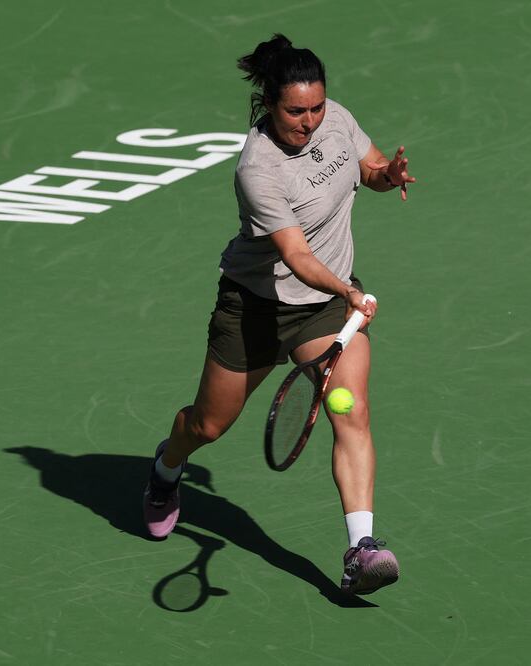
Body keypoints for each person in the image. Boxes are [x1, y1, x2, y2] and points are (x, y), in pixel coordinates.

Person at [141, 33, 415, 596]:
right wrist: (350, 290)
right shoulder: (257, 169)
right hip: (256, 309)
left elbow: (367, 166)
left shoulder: (334, 118)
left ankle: (362, 547)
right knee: (207, 426)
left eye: (316, 106)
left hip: (324, 309)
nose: (310, 120)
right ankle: (167, 469)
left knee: (352, 410)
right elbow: (297, 256)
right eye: (296, 111)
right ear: (268, 103)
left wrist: (387, 176)